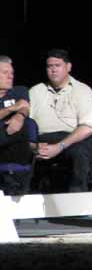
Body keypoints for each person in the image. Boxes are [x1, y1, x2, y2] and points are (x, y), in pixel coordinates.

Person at [28, 49, 92, 193]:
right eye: (50, 66)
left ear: (68, 67)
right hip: (44, 139)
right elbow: (25, 119)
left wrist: (60, 146)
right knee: (17, 146)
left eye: (57, 65)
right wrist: (32, 144)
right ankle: (21, 195)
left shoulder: (83, 91)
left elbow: (87, 127)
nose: (53, 70)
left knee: (79, 151)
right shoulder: (36, 92)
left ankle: (76, 197)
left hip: (78, 139)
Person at [0, 56, 35, 195]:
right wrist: (12, 108)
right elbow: (20, 105)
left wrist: (19, 116)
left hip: (10, 145)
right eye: (5, 73)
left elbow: (25, 107)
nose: (10, 76)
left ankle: (16, 178)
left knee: (25, 126)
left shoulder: (19, 90)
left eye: (12, 73)